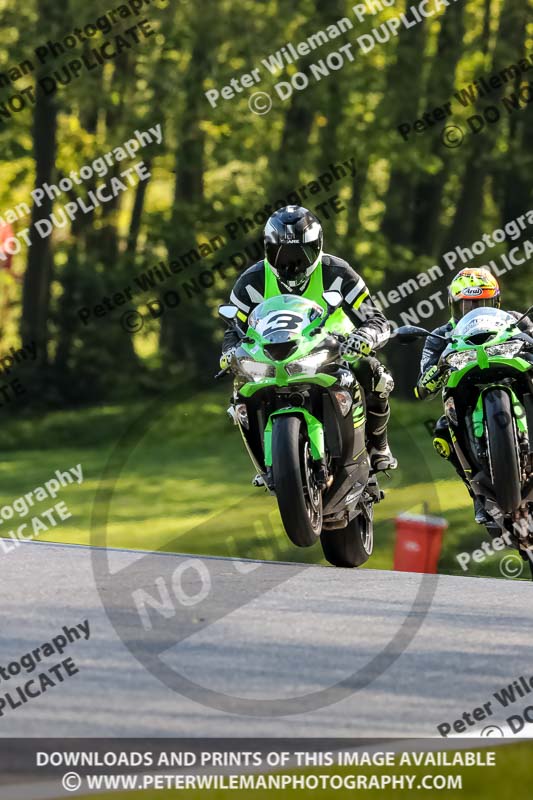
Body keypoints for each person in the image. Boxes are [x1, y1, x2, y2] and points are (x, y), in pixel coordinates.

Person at [220, 205, 397, 472]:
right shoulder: (251, 281)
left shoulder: (338, 272)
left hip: (334, 347)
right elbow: (233, 328)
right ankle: (267, 464)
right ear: (268, 250)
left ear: (318, 247)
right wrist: (230, 352)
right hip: (273, 355)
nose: (291, 263)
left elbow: (377, 319)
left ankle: (379, 445)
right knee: (241, 391)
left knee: (373, 371)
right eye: (282, 253)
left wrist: (363, 338)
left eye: (301, 253)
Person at [415, 267, 533, 524]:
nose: (475, 311)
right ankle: (478, 496)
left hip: (511, 376)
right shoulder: (439, 336)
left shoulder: (516, 320)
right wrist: (438, 369)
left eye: (483, 303)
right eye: (467, 306)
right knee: (442, 433)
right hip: (465, 389)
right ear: (453, 306)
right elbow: (422, 388)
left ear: (496, 302)